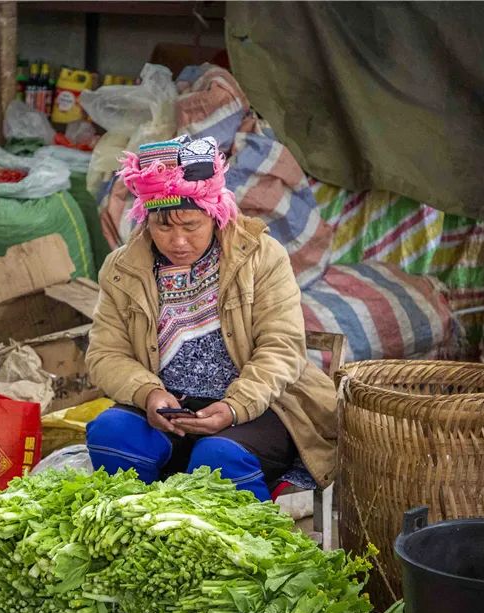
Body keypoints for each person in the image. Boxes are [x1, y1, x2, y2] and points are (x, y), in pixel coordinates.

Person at [85, 134, 337, 500]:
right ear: (145, 220)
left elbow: (282, 348)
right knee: (111, 433)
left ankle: (243, 537)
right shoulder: (123, 268)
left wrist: (233, 408)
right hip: (170, 413)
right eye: (164, 227)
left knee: (217, 460)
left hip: (256, 409)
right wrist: (149, 393)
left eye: (191, 226)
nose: (178, 241)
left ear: (215, 212)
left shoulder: (260, 256)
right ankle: (143, 523)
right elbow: (105, 354)